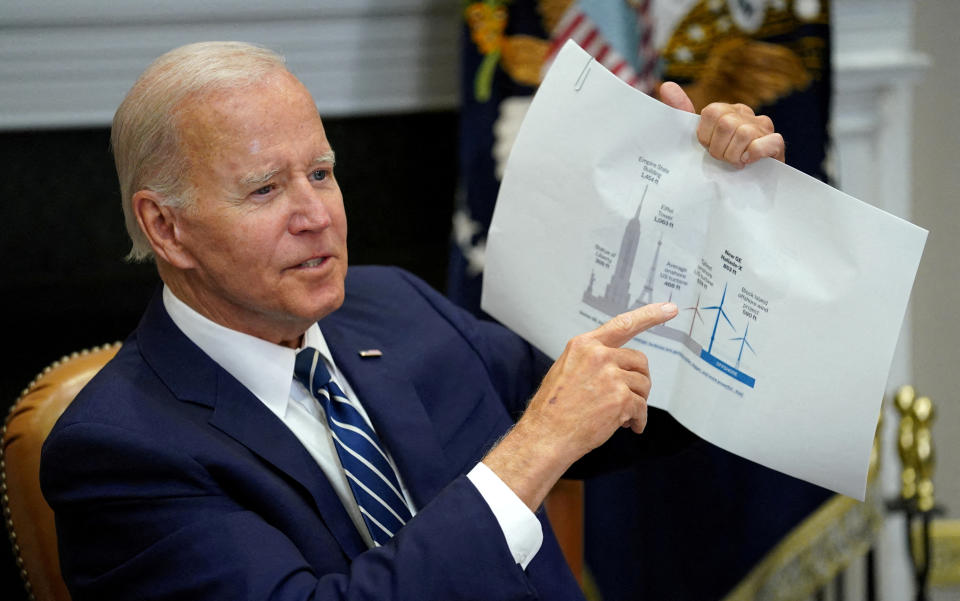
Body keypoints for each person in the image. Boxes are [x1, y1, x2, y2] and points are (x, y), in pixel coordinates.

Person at [39, 41, 785, 600]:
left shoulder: (392, 305)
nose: (317, 215)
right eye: (266, 189)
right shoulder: (120, 451)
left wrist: (710, 212)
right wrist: (533, 448)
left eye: (322, 173)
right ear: (165, 228)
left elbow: (627, 400)